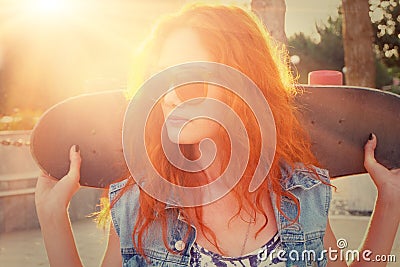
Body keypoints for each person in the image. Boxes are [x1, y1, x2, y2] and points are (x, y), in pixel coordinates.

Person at [35, 3, 400, 267]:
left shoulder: (301, 192)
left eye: (191, 79)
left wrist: (391, 202)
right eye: (161, 77)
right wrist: (53, 219)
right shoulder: (140, 201)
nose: (170, 96)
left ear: (243, 87)